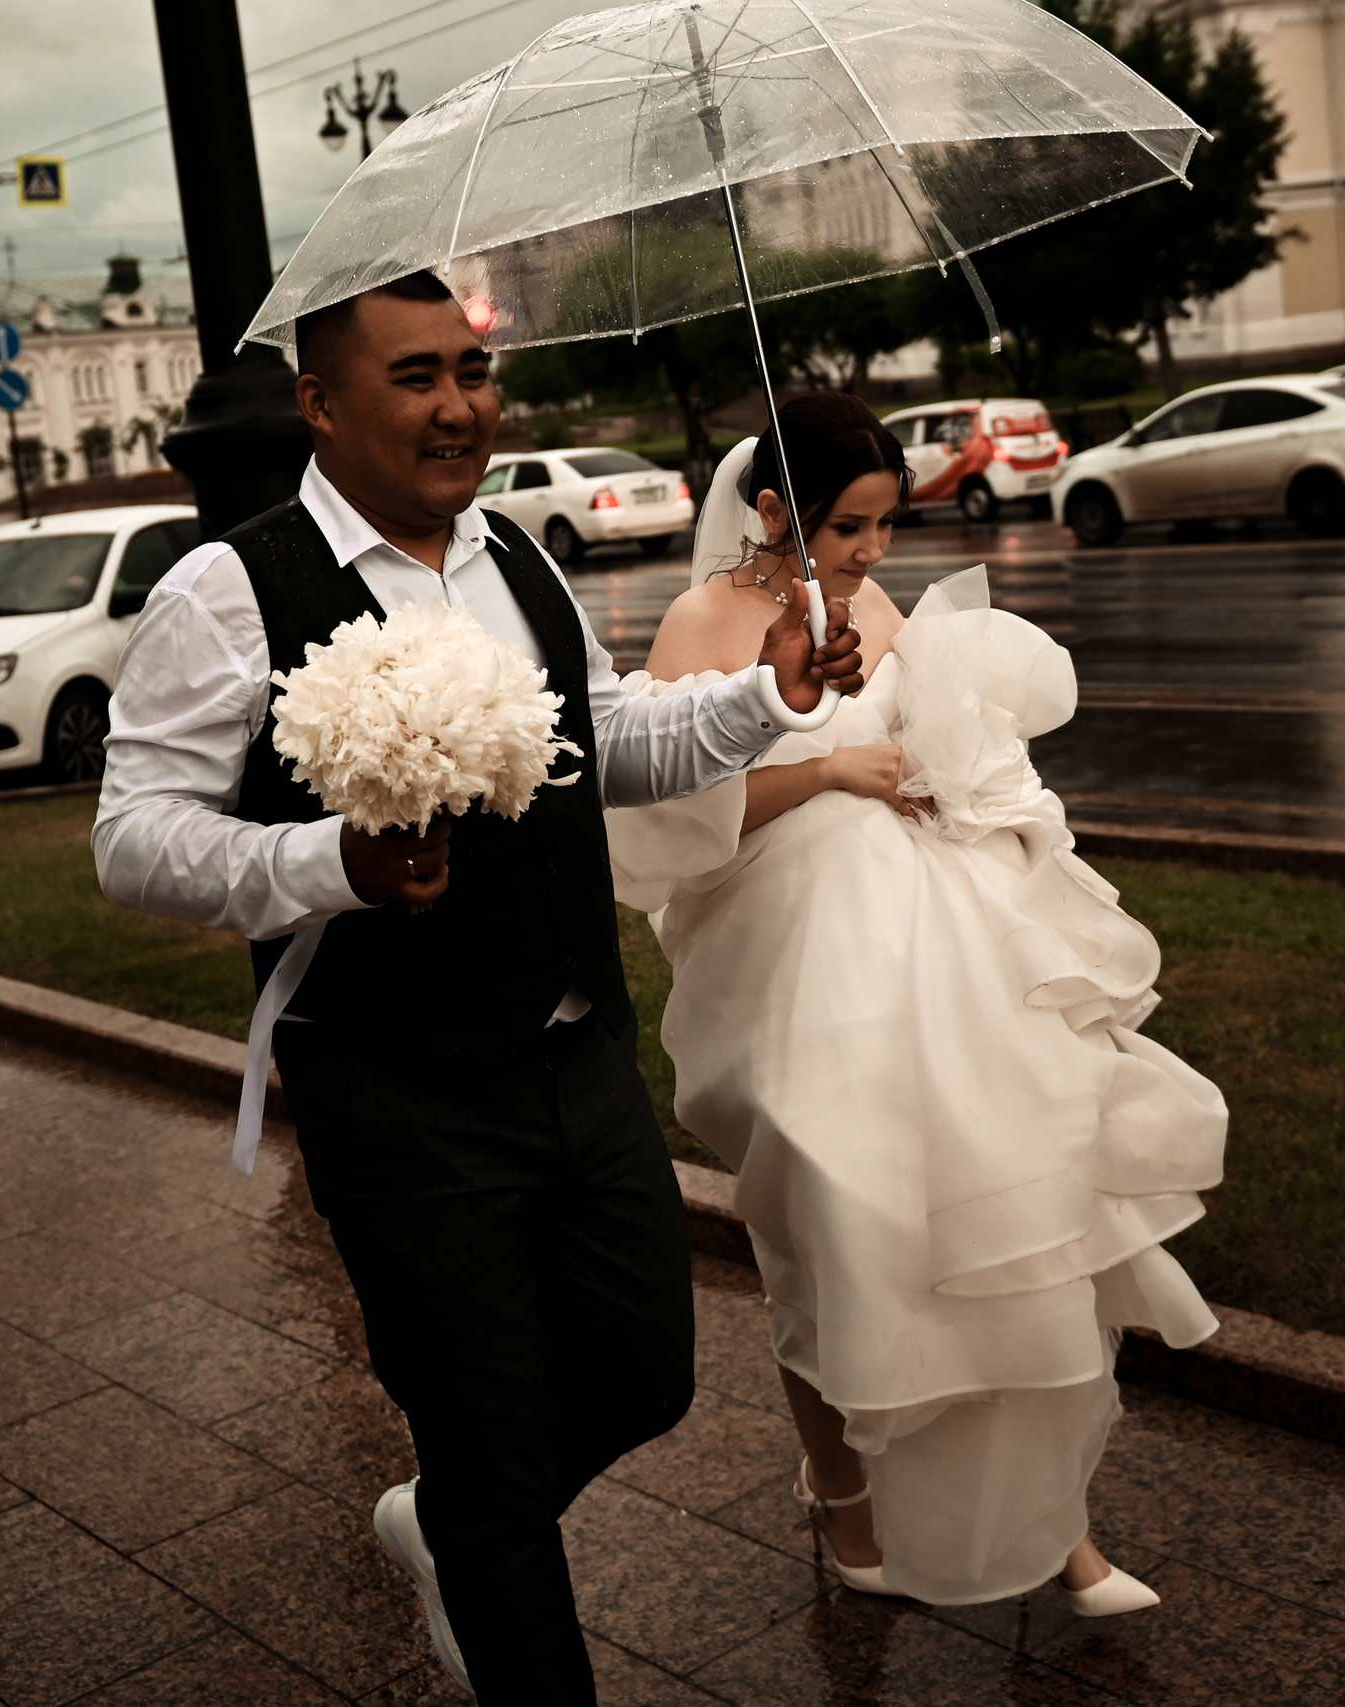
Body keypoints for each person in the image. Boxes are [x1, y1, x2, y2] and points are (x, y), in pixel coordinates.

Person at [91, 270, 863, 1707]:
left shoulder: (515, 554)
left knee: (646, 1375)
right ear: (320, 403)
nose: (462, 406)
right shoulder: (227, 590)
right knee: (497, 1440)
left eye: (474, 370)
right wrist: (337, 860)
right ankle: (486, 1535)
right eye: (416, 376)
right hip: (398, 1088)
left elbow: (608, 737)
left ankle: (446, 1514)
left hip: (578, 1054)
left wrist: (769, 698)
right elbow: (134, 841)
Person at [613, 392, 1228, 1612]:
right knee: (837, 1231)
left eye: (889, 525)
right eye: (849, 526)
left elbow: (924, 739)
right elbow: (671, 815)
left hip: (935, 943)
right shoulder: (702, 619)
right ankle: (839, 1490)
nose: (872, 554)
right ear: (776, 507)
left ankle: (1054, 1527)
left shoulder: (874, 605)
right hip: (789, 964)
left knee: (1008, 1205)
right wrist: (828, 764)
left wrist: (947, 775)